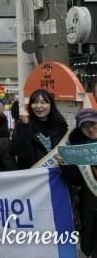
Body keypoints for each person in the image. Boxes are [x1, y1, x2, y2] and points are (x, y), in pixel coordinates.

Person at [60, 108, 97, 258]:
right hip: (89, 204)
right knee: (89, 245)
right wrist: (66, 164)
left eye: (93, 124)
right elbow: (74, 180)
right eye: (84, 126)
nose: (90, 129)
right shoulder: (76, 148)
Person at [11, 89, 69, 169]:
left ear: (51, 104)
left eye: (43, 102)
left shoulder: (60, 125)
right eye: (34, 102)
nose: (38, 106)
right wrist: (25, 126)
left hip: (55, 173)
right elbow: (20, 152)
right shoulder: (23, 124)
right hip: (32, 174)